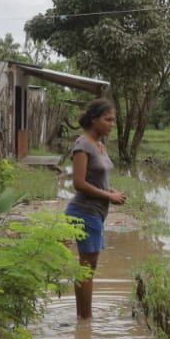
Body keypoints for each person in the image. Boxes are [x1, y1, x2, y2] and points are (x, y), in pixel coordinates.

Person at [67, 100, 126, 319]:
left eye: (113, 120)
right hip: (84, 212)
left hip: (96, 213)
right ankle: (85, 321)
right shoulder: (83, 145)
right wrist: (109, 195)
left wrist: (110, 190)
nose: (112, 124)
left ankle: (83, 318)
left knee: (88, 269)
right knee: (86, 270)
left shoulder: (100, 145)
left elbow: (97, 179)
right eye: (108, 119)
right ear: (94, 119)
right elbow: (79, 183)